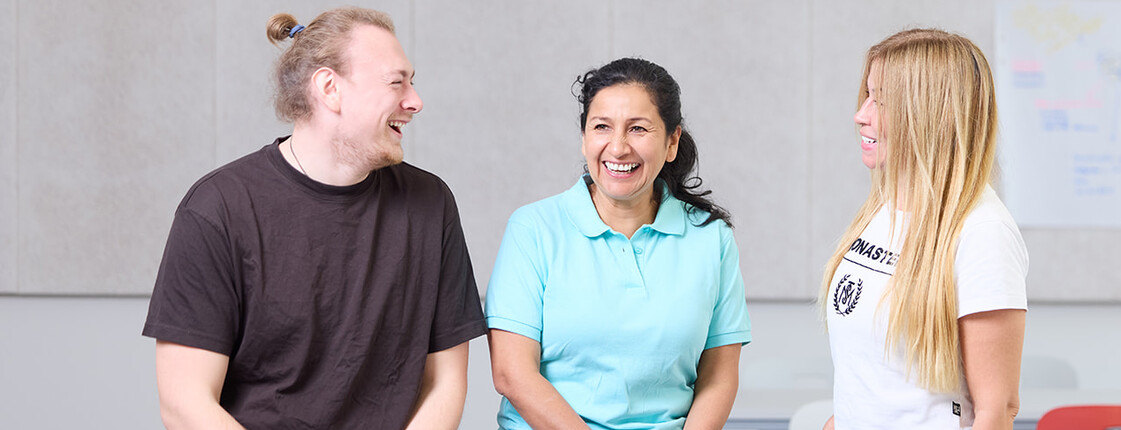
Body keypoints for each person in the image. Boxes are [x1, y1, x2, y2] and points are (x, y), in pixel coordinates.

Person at [141, 7, 486, 429]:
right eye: (397, 82)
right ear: (329, 88)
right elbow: (184, 402)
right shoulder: (217, 209)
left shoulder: (431, 203)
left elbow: (445, 384)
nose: (415, 101)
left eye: (412, 82)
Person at [485, 57, 752, 430]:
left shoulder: (711, 237)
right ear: (584, 138)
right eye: (601, 127)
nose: (618, 147)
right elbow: (512, 374)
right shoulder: (533, 229)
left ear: (672, 141)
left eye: (638, 129)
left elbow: (719, 379)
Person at [820, 29, 1028, 430]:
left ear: (930, 111)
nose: (861, 114)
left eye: (880, 100)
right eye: (867, 95)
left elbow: (997, 410)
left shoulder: (982, 231)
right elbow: (871, 383)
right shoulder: (883, 210)